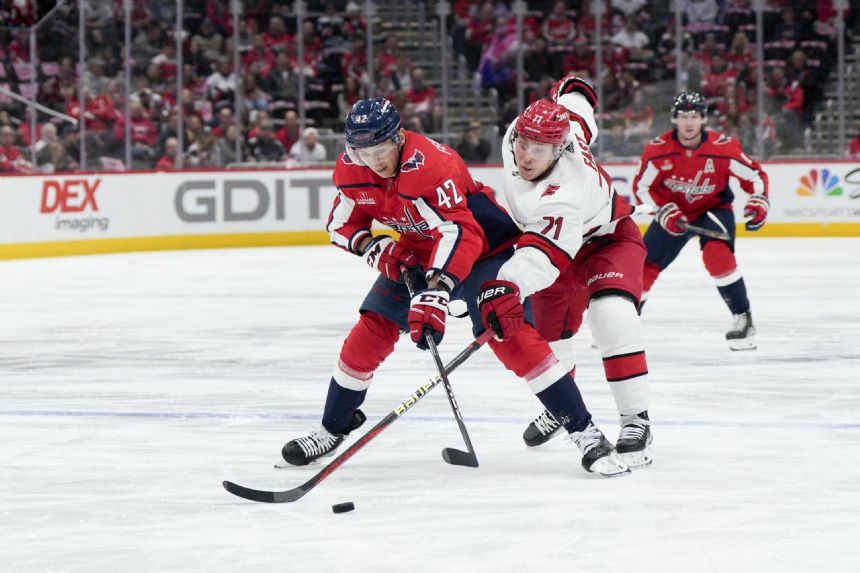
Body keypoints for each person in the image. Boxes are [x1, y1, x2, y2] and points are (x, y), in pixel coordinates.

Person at [280, 96, 628, 477]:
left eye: (380, 150)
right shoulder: (353, 169)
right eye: (363, 153)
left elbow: (462, 232)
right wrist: (379, 251)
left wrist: (437, 290)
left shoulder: (432, 165)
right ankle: (333, 427)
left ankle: (586, 432)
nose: (374, 161)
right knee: (370, 331)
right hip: (420, 255)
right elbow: (341, 225)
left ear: (397, 139)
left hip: (485, 251)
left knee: (511, 336)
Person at [479, 75, 653, 469]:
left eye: (538, 150)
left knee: (612, 315)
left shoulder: (566, 191)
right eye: (523, 144)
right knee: (548, 339)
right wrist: (574, 87)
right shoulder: (538, 127)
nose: (525, 156)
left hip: (604, 240)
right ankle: (563, 403)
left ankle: (635, 419)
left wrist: (508, 286)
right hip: (548, 240)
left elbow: (543, 257)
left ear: (559, 151)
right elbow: (579, 104)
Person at [632, 91, 769, 350]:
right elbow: (641, 187)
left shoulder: (723, 147)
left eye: (694, 116)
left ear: (703, 118)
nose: (688, 122)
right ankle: (624, 322)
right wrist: (662, 210)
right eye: (683, 116)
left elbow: (754, 176)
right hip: (673, 212)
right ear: (674, 119)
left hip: (713, 210)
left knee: (719, 258)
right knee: (643, 266)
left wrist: (758, 201)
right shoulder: (657, 150)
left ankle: (743, 319)